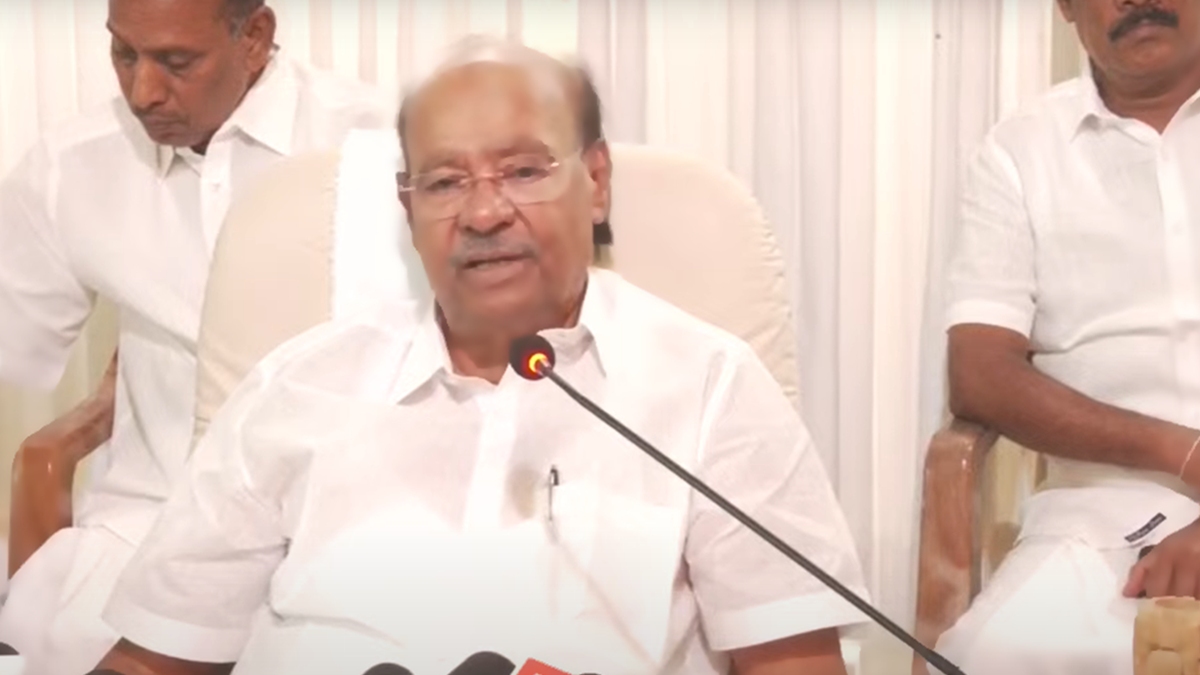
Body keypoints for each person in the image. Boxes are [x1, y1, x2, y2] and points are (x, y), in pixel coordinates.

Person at [91, 38, 869, 675]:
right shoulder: (294, 387)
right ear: (408, 209)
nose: (485, 212)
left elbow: (792, 660)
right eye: (444, 182)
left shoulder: (710, 387)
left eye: (524, 171)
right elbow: (153, 655)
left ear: (596, 182)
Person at [0, 0, 398, 673]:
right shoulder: (71, 166)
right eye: (123, 53)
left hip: (348, 530)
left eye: (176, 62)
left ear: (255, 37)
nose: (142, 92)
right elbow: (14, 347)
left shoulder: (380, 144)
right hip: (146, 530)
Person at [935, 0, 1200, 672]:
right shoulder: (1019, 152)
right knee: (992, 656)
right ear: (1066, 7)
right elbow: (980, 373)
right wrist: (1185, 452)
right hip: (1099, 519)